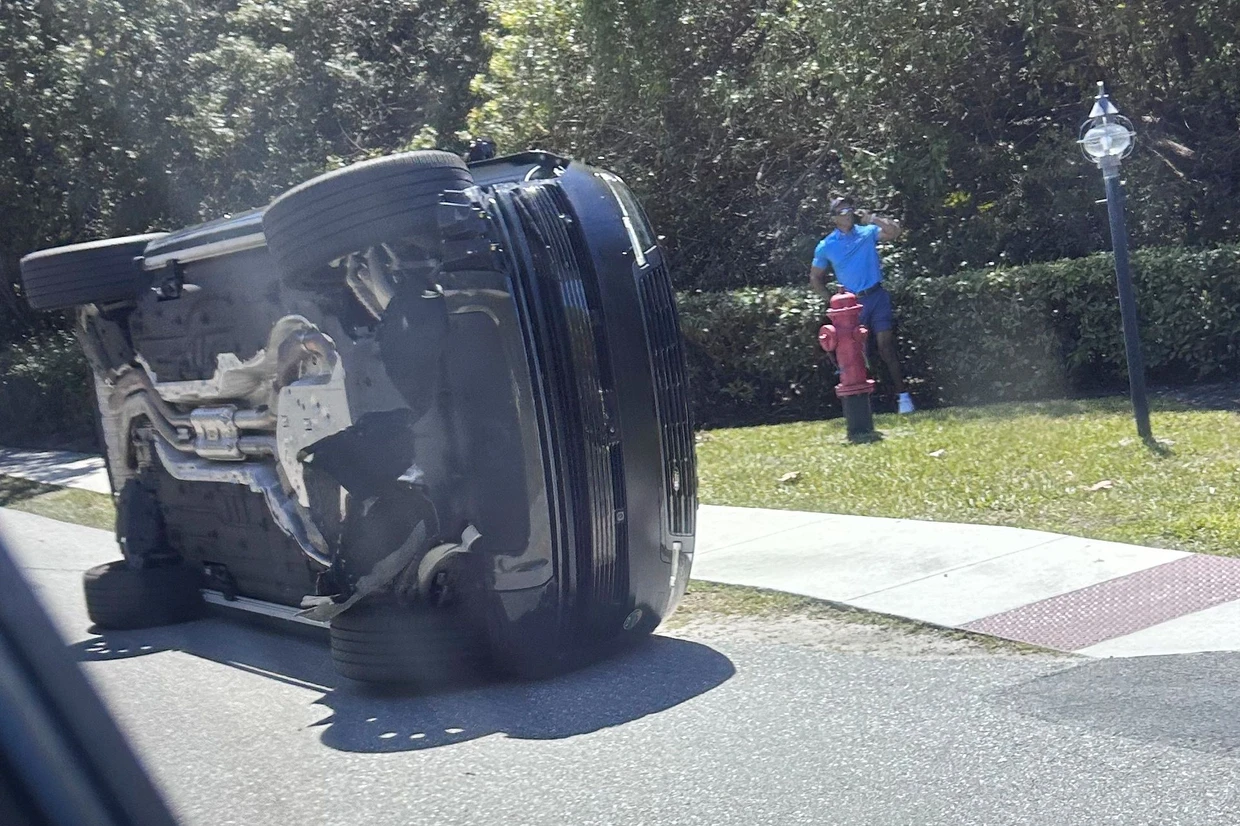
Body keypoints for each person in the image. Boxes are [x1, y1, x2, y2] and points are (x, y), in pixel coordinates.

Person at [808, 196, 915, 414]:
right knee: (857, 354)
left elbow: (895, 232)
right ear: (833, 218)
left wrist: (873, 218)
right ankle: (865, 405)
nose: (846, 213)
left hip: (877, 296)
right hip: (851, 306)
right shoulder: (826, 246)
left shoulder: (867, 233)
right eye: (841, 210)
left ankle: (903, 397)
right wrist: (833, 302)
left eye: (849, 208)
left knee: (886, 346)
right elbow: (815, 278)